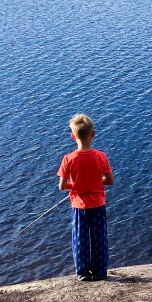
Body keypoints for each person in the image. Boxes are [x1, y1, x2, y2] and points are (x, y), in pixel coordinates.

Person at [57, 114, 115, 281]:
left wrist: (74, 185)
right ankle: (99, 272)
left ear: (72, 136)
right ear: (93, 134)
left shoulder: (68, 159)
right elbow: (110, 181)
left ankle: (82, 272)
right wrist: (97, 181)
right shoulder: (101, 156)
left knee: (80, 239)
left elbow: (62, 186)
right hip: (97, 204)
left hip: (78, 206)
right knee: (99, 239)